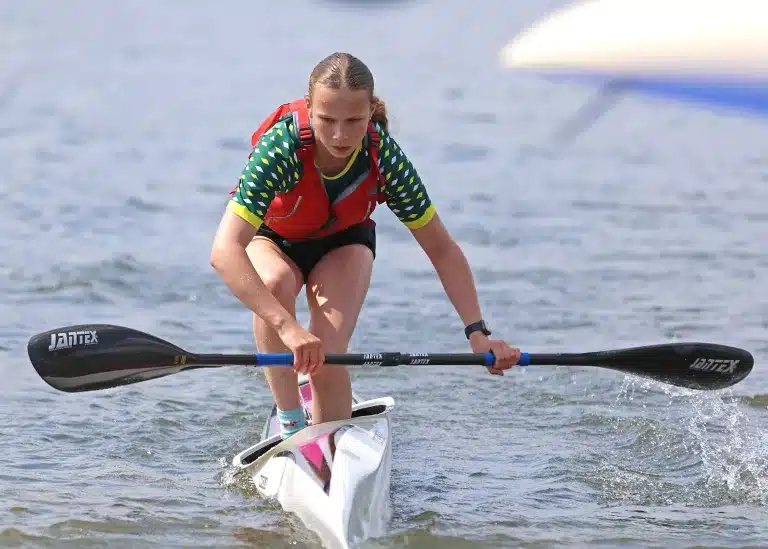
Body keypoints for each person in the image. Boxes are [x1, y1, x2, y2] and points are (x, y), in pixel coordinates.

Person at [210, 52, 521, 440]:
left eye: (354, 121)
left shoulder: (384, 157)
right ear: (309, 108)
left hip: (342, 244)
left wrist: (478, 334)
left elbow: (442, 249)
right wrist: (287, 328)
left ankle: (333, 447)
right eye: (327, 120)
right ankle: (290, 421)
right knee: (275, 284)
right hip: (273, 240)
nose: (340, 136)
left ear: (371, 111)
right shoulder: (282, 149)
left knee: (327, 350)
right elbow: (224, 251)